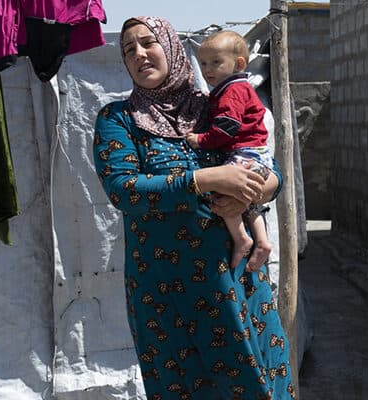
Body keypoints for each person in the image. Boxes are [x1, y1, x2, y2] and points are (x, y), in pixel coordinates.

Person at [93, 16, 294, 399]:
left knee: (258, 383)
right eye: (128, 50)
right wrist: (209, 180)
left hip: (239, 282)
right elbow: (123, 189)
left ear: (170, 47)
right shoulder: (118, 120)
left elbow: (271, 171)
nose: (139, 54)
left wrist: (254, 188)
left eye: (148, 43)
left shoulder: (215, 106)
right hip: (169, 292)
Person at [185, 30, 274, 272]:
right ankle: (263, 241)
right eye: (203, 63)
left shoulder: (231, 91)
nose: (207, 69)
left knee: (224, 192)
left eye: (216, 62)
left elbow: (227, 127)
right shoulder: (238, 88)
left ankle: (241, 238)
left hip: (245, 154)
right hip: (256, 153)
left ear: (239, 64)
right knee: (247, 197)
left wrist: (201, 140)